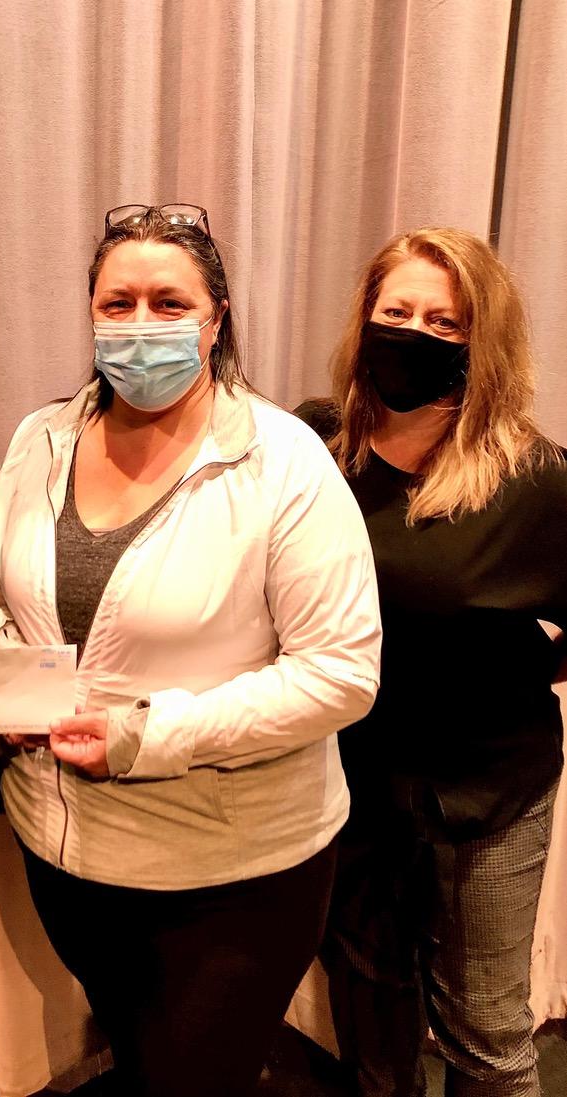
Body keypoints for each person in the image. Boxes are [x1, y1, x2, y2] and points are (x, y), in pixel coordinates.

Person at [0, 204, 381, 1097]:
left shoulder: (283, 463)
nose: (140, 324)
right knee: (138, 1059)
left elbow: (340, 674)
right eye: (117, 303)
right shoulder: (42, 440)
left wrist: (147, 735)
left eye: (167, 301)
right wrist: (9, 683)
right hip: (66, 853)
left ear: (216, 317)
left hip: (230, 875)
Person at [297, 227, 567, 1097]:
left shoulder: (533, 480)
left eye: (444, 323)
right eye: (396, 311)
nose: (412, 333)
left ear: (481, 345)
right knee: (369, 1020)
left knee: (483, 1031)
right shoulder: (311, 452)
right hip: (347, 784)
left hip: (485, 791)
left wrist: (509, 676)